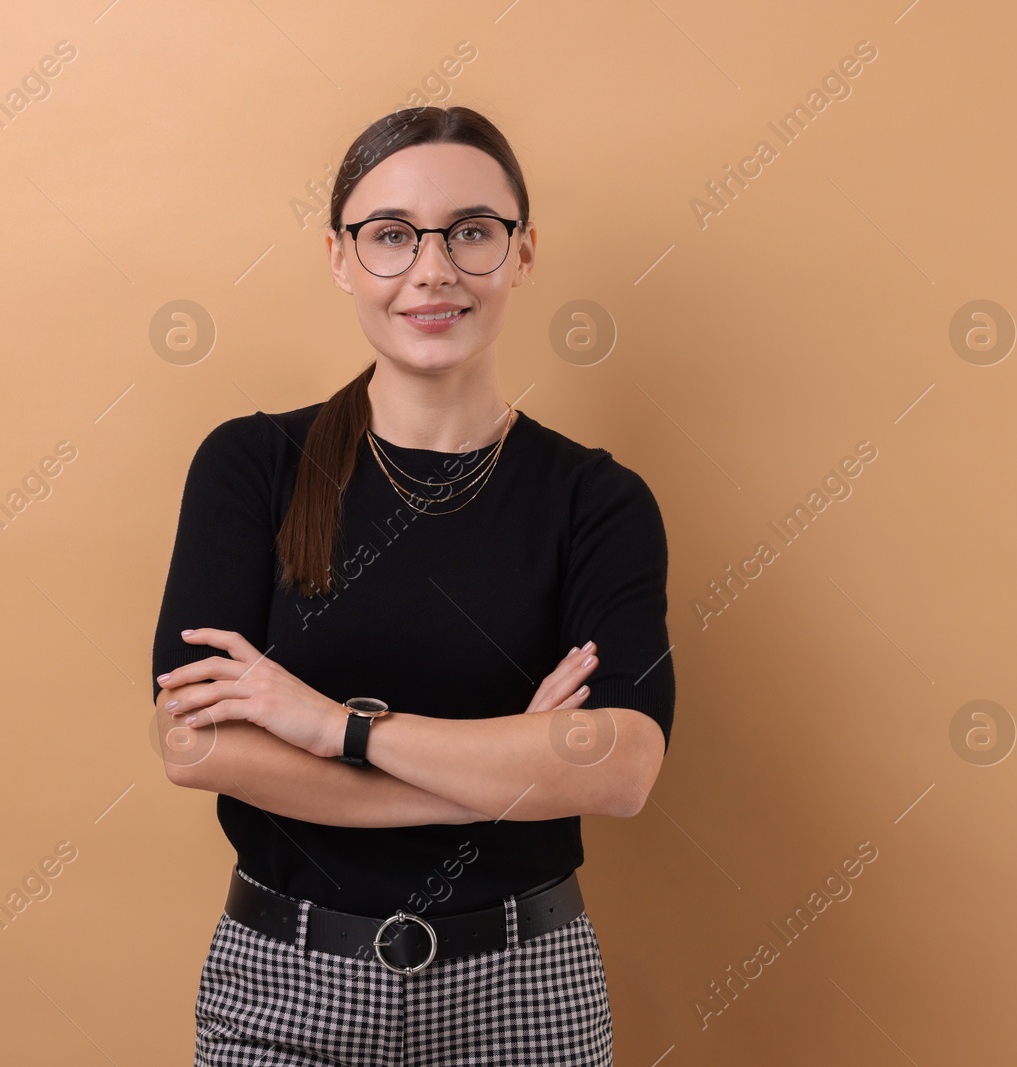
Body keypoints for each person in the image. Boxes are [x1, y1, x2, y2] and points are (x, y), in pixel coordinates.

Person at [152, 104, 674, 1066]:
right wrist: (510, 772)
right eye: (391, 236)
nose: (433, 270)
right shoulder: (252, 465)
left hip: (526, 993)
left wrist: (334, 728)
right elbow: (195, 743)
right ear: (341, 257)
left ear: (521, 255)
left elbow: (621, 767)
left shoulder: (597, 499)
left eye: (472, 232)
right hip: (283, 988)